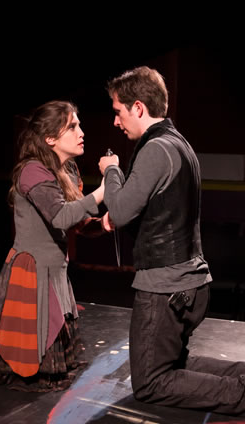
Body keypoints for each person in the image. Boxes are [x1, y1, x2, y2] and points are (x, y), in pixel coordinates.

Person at [98, 66, 245, 416]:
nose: (116, 122)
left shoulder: (156, 150)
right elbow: (156, 207)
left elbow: (119, 211)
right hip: (188, 283)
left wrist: (111, 171)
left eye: (118, 111)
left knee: (151, 381)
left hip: (166, 287)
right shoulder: (178, 144)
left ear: (137, 107)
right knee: (176, 365)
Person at [0, 100, 113, 392]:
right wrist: (102, 191)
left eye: (79, 124)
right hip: (31, 272)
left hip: (55, 272)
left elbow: (75, 222)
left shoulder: (69, 170)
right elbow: (60, 215)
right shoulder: (32, 171)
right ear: (50, 138)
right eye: (72, 126)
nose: (81, 132)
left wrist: (102, 224)